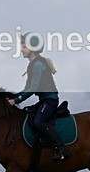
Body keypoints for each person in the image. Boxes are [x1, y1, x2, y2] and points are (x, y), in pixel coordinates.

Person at [7, 33, 70, 161]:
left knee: (38, 122)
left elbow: (33, 89)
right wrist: (12, 97)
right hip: (44, 100)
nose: (21, 49)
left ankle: (61, 148)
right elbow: (26, 89)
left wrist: (16, 100)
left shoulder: (37, 65)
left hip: (50, 100)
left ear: (32, 49)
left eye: (24, 47)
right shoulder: (33, 65)